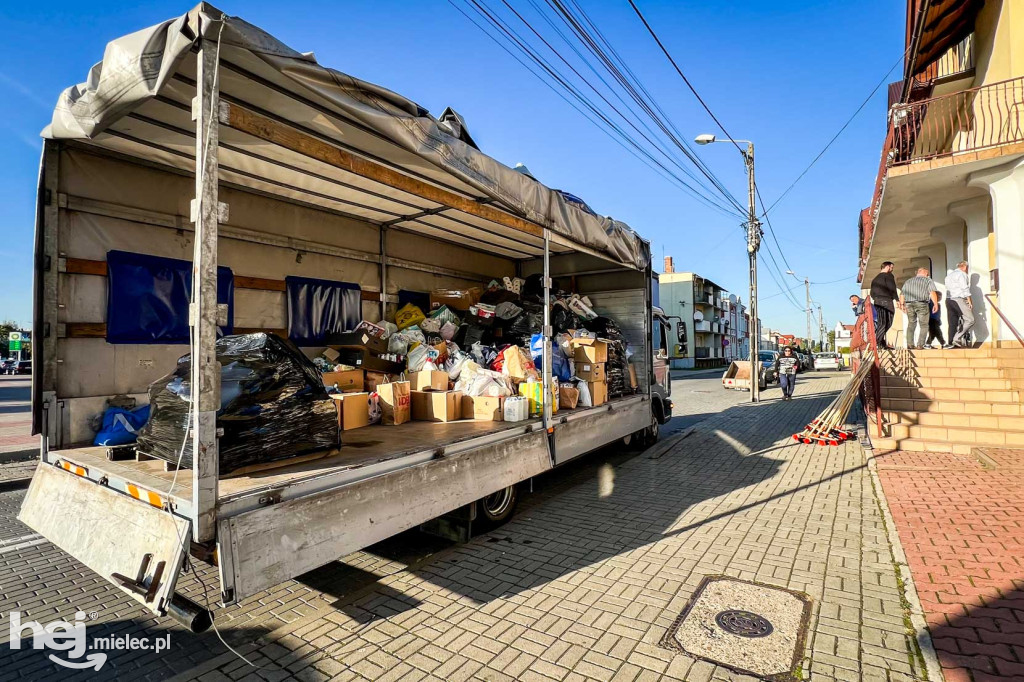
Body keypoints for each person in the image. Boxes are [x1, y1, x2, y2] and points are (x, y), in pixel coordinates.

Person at [900, 267, 939, 349]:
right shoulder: (928, 280)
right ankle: (920, 344)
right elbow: (932, 292)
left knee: (911, 323)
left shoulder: (908, 281)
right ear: (924, 273)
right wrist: (935, 304)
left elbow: (902, 294)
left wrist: (902, 304)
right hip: (921, 304)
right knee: (924, 325)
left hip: (909, 304)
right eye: (927, 274)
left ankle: (910, 344)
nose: (928, 275)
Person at [944, 261, 975, 348]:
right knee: (970, 319)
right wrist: (969, 301)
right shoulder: (962, 274)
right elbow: (964, 288)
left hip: (949, 300)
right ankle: (956, 339)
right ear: (965, 267)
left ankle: (951, 342)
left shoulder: (949, 276)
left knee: (952, 322)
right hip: (958, 299)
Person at [869, 262, 898, 348]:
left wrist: (876, 298)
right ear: (888, 267)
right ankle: (877, 341)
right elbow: (892, 287)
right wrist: (897, 299)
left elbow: (872, 293)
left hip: (877, 301)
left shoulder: (875, 279)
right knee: (888, 321)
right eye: (892, 267)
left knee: (882, 322)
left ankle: (880, 342)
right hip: (886, 300)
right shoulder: (889, 276)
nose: (892, 269)